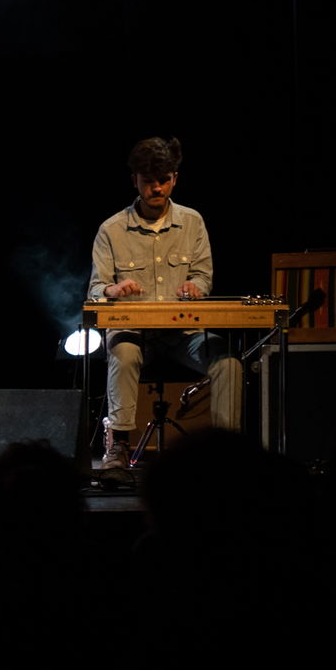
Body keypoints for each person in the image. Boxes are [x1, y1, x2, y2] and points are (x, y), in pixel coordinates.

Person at [88, 136, 243, 476]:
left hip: (182, 331)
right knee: (124, 352)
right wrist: (114, 289)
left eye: (163, 181)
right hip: (135, 332)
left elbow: (203, 276)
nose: (155, 188)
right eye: (148, 182)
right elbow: (96, 289)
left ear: (174, 179)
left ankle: (224, 450)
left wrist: (195, 287)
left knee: (228, 362)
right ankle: (119, 446)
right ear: (135, 181)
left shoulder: (192, 222)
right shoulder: (111, 230)